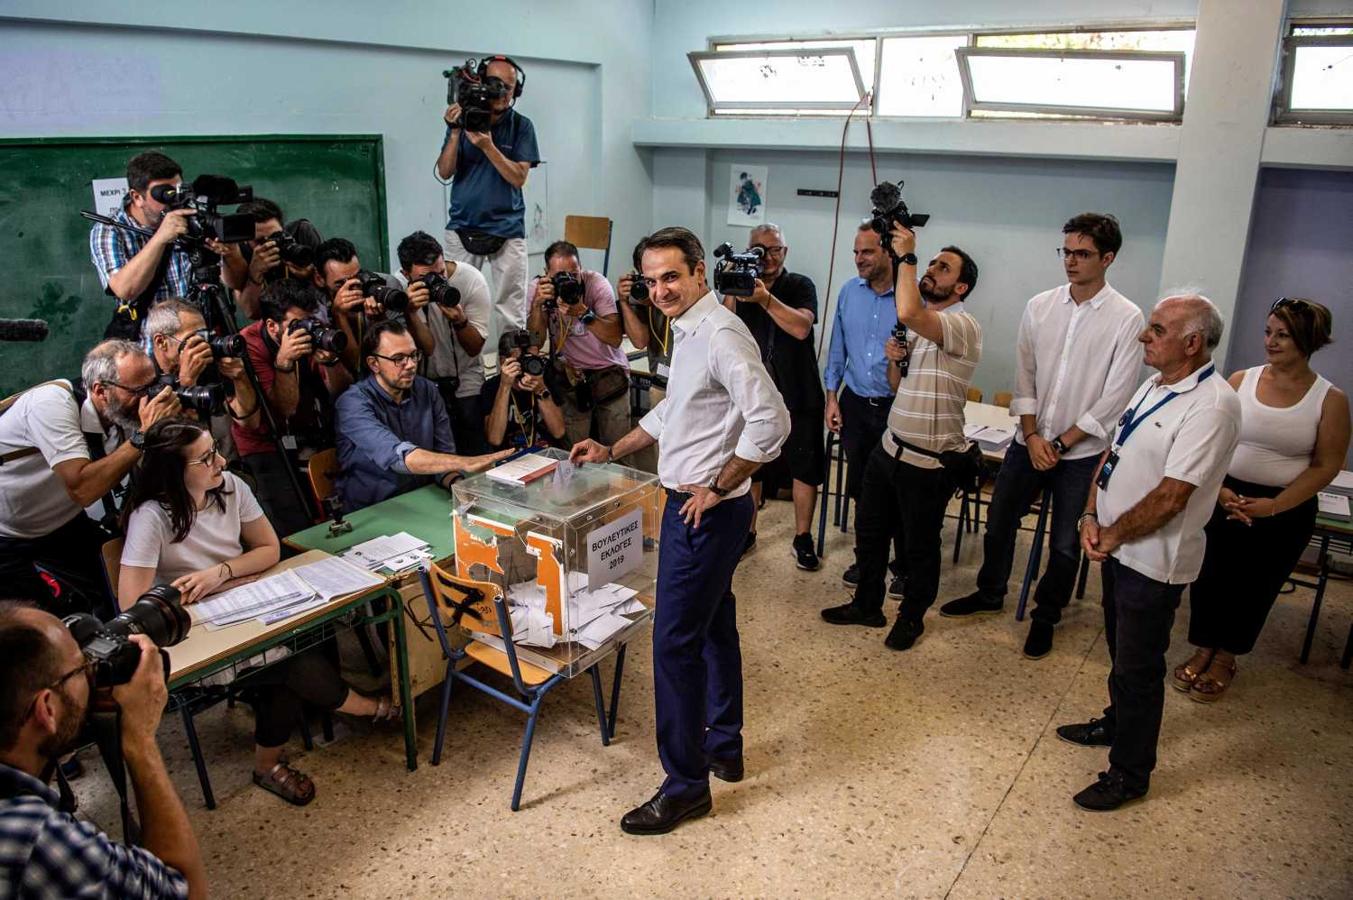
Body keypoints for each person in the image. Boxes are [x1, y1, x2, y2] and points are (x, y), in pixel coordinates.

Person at [570, 226, 789, 836]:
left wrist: (720, 483)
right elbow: (676, 412)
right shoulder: (691, 327)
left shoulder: (720, 334)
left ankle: (686, 786)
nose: (661, 289)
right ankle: (724, 746)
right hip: (705, 506)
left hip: (706, 512)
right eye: (651, 279)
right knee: (714, 625)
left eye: (672, 276)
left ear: (698, 272)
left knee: (672, 645)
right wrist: (614, 447)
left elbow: (772, 420)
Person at [117, 418, 397, 806]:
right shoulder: (152, 515)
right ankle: (366, 708)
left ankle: (285, 753)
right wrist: (190, 594)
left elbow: (269, 549)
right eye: (205, 459)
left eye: (215, 449)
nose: (220, 462)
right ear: (175, 473)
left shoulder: (231, 487)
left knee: (295, 645)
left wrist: (222, 573)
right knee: (286, 666)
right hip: (196, 629)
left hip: (242, 601)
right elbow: (131, 604)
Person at [1058, 294, 1241, 812]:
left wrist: (1112, 535)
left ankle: (1130, 773)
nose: (1144, 336)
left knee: (1139, 668)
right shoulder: (1155, 384)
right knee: (1120, 652)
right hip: (1118, 549)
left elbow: (1172, 495)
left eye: (1156, 330)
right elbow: (1113, 454)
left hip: (1154, 562)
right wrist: (1091, 515)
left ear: (1192, 342)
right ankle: (1116, 724)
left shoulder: (1214, 405)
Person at [939, 213, 1144, 659]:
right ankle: (990, 592)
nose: (1071, 261)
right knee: (999, 522)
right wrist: (1032, 436)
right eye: (1066, 251)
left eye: (1082, 253)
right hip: (1028, 441)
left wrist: (1062, 443)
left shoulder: (1127, 318)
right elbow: (1025, 376)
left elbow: (1116, 396)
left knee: (1067, 543)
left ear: (1108, 258)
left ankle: (1046, 616)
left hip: (1082, 452)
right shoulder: (1041, 305)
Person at [1174, 298, 1349, 701]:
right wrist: (1219, 490)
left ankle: (1226, 657)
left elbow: (1326, 465)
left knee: (1254, 586)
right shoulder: (1240, 380)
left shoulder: (1330, 399)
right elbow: (1212, 441)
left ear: (1308, 340)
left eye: (1283, 335)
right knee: (1211, 577)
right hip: (1225, 493)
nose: (1271, 341)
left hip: (1283, 507)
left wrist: (1273, 506)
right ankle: (1203, 648)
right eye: (1268, 331)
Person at [821, 233, 982, 653]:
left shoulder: (961, 325)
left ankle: (911, 618)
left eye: (942, 268)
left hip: (928, 462)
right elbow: (898, 383)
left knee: (918, 546)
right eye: (928, 264)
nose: (929, 270)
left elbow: (908, 308)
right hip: (889, 448)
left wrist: (906, 252)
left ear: (961, 288)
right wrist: (895, 359)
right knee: (871, 535)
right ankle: (866, 605)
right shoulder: (918, 326)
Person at [0, 601, 207, 898]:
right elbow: (186, 891)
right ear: (46, 709)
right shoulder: (35, 838)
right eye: (82, 665)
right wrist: (139, 739)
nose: (90, 671)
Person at [0, 341, 180, 616]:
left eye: (152, 386)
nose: (148, 399)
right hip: (8, 534)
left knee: (107, 602)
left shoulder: (120, 414)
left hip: (61, 523)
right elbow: (82, 489)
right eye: (138, 391)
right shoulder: (51, 405)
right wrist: (142, 436)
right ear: (100, 390)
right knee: (37, 620)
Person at [722, 223, 824, 569]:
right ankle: (747, 533)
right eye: (758, 249)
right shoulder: (743, 285)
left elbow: (801, 327)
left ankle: (802, 537)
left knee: (804, 469)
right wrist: (734, 284)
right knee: (753, 467)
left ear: (785, 252)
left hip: (799, 393)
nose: (767, 256)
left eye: (774, 249)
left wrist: (765, 298)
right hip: (755, 396)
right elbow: (725, 324)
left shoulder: (799, 285)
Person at [334, 321, 510, 512]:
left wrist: (460, 487)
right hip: (372, 510)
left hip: (422, 500)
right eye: (398, 358)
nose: (410, 365)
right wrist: (465, 462)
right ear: (374, 364)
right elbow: (397, 456)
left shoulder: (426, 390)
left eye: (413, 355)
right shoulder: (352, 403)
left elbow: (443, 457)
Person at [823, 223, 906, 593]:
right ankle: (868, 559)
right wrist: (831, 396)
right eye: (856, 252)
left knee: (899, 490)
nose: (859, 259)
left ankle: (903, 565)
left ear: (888, 252)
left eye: (867, 252)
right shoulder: (848, 292)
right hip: (855, 404)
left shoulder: (910, 297)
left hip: (897, 407)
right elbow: (837, 347)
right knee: (861, 488)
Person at [232, 280, 353, 535]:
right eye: (298, 325)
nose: (308, 331)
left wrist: (331, 362)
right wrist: (285, 361)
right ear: (272, 326)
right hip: (264, 443)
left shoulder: (315, 332)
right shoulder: (249, 345)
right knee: (292, 522)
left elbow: (343, 393)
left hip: (312, 431)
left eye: (312, 322)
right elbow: (282, 411)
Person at [436, 55, 541, 329]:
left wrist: (487, 146)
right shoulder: (463, 121)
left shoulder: (522, 126)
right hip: (462, 226)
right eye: (498, 85)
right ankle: (462, 369)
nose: (504, 93)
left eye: (510, 86)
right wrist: (456, 133)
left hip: (508, 229)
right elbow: (445, 171)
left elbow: (518, 177)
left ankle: (512, 366)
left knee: (511, 311)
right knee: (455, 303)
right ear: (482, 84)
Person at [527, 240, 631, 448]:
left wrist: (583, 312)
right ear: (546, 274)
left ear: (581, 269)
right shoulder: (540, 290)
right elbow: (535, 342)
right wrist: (538, 306)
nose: (567, 280)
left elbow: (614, 338)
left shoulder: (596, 284)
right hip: (571, 378)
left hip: (608, 374)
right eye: (559, 276)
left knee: (619, 449)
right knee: (576, 450)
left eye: (573, 274)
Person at [397, 230, 492, 454]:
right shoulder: (401, 288)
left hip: (466, 381)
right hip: (424, 385)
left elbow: (474, 348)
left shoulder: (470, 280)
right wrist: (410, 312)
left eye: (441, 274)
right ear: (406, 274)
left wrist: (460, 322)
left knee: (473, 451)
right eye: (427, 278)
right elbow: (428, 348)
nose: (437, 282)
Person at [88, 151, 196, 339]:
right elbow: (124, 289)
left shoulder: (191, 222)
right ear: (137, 197)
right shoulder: (110, 230)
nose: (173, 201)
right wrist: (161, 237)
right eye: (163, 194)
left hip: (195, 338)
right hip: (148, 346)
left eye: (177, 191)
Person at [143, 298, 262, 459]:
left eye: (204, 335)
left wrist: (240, 378)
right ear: (161, 342)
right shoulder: (144, 381)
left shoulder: (211, 365)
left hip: (227, 466)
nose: (203, 344)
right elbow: (173, 449)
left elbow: (250, 422)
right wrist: (187, 382)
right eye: (193, 338)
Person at [312, 237, 435, 373]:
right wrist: (339, 315)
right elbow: (356, 366)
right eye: (340, 284)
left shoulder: (384, 286)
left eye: (356, 277)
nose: (352, 287)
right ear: (319, 279)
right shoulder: (315, 303)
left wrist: (379, 320)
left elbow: (416, 352)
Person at [616, 238, 671, 475]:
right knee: (663, 455)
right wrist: (625, 302)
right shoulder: (641, 297)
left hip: (691, 387)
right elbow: (639, 341)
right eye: (647, 278)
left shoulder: (679, 292)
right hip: (660, 385)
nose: (654, 285)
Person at [233, 197, 324, 319]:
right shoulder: (242, 255)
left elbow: (332, 286)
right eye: (260, 241)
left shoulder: (301, 234)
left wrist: (311, 276)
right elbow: (252, 313)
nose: (271, 244)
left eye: (276, 235)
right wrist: (255, 273)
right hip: (275, 325)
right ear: (245, 241)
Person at [482, 330, 566, 450]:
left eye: (533, 359)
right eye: (521, 360)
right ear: (503, 361)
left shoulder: (545, 378)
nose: (529, 364)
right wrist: (505, 386)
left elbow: (559, 432)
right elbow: (495, 439)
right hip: (510, 457)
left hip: (543, 451)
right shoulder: (492, 387)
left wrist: (540, 390)